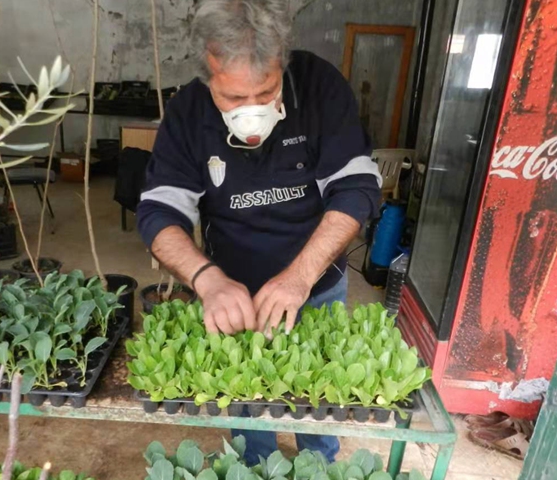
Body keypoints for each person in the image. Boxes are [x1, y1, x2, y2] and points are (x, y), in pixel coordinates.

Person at [136, 0, 382, 466]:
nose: (251, 111)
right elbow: (157, 212)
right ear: (207, 76)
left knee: (319, 408)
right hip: (235, 300)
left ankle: (319, 465)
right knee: (249, 414)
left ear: (282, 62)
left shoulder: (319, 87)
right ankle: (254, 467)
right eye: (232, 99)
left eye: (265, 91)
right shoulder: (187, 112)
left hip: (316, 286)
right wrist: (206, 279)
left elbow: (356, 189)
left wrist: (300, 276)